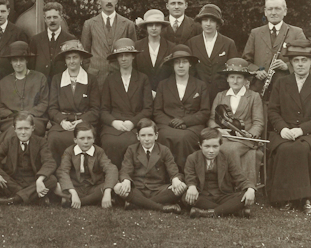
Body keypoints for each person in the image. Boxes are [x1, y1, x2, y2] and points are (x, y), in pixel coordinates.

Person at [266, 39, 311, 214]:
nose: (300, 64)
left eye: (304, 60)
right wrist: (283, 129)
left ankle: (305, 197)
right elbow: (273, 111)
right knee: (284, 149)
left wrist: (301, 130)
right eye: (296, 61)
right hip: (283, 131)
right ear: (291, 63)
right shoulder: (281, 83)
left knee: (302, 148)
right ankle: (287, 198)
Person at [207, 58, 264, 185]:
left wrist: (249, 134)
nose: (235, 81)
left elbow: (258, 122)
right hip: (224, 137)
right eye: (232, 77)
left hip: (245, 139)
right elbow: (212, 119)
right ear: (227, 79)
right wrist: (218, 130)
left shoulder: (254, 96)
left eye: (239, 77)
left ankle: (238, 185)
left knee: (228, 149)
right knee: (215, 146)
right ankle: (216, 185)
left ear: (245, 80)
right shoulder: (220, 96)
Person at [153, 44, 210, 171]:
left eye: (184, 62)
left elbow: (205, 112)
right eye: (177, 62)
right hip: (167, 124)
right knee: (163, 135)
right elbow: (157, 111)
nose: (180, 66)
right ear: (172, 65)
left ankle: (187, 175)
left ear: (190, 64)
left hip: (192, 126)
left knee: (184, 138)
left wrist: (186, 121)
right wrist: (171, 122)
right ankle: (166, 176)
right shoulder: (163, 85)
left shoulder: (200, 85)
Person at [99, 38, 154, 168]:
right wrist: (114, 122)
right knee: (109, 141)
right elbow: (104, 110)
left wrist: (133, 122)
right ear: (117, 59)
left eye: (127, 55)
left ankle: (134, 178)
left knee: (134, 140)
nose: (124, 59)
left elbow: (148, 109)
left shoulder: (142, 78)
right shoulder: (110, 80)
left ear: (133, 57)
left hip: (135, 123)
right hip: (115, 125)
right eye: (120, 56)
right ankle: (113, 176)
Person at [0, 112, 57, 206]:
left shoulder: (41, 142)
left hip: (33, 182)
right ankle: (32, 198)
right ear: (14, 129)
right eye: (20, 129)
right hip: (13, 182)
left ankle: (12, 200)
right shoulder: (9, 141)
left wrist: (40, 180)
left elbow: (49, 162)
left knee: (52, 180)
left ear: (32, 128)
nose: (23, 132)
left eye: (26, 128)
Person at [114, 118, 186, 213]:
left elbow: (172, 169)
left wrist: (175, 180)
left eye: (150, 135)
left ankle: (136, 204)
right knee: (118, 187)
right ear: (138, 137)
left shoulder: (164, 150)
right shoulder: (132, 149)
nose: (147, 139)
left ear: (156, 136)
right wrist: (126, 180)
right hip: (138, 189)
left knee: (182, 187)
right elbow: (126, 169)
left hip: (158, 189)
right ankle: (161, 207)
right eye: (143, 135)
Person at [242, 0, 307, 97]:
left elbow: (308, 60)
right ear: (265, 12)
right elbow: (246, 61)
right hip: (259, 91)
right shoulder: (255, 33)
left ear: (285, 11)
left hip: (287, 90)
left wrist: (287, 66)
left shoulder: (296, 33)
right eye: (270, 9)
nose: (273, 12)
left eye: (277, 9)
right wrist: (256, 71)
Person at [46, 40, 99, 165]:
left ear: (81, 59)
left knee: (84, 138)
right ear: (65, 61)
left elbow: (95, 110)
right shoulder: (57, 79)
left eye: (75, 57)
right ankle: (57, 173)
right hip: (63, 123)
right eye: (68, 58)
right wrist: (62, 121)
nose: (72, 61)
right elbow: (52, 108)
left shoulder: (91, 79)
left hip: (83, 122)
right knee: (54, 138)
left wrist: (81, 121)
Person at [184, 128, 256, 218]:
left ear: (220, 145)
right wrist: (192, 186)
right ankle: (231, 211)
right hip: (203, 195)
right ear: (200, 145)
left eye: (215, 146)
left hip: (223, 195)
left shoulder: (226, 157)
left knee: (243, 195)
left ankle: (208, 213)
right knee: (185, 196)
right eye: (207, 146)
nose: (211, 151)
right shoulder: (192, 158)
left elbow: (238, 176)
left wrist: (250, 189)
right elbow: (189, 176)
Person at [0, 41, 49, 144]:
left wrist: (29, 114)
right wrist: (14, 115)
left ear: (26, 60)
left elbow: (44, 102)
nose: (18, 64)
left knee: (22, 130)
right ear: (10, 62)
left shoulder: (39, 78)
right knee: (15, 130)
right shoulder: (4, 82)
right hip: (10, 120)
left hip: (35, 119)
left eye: (21, 60)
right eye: (15, 60)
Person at [54, 123, 117, 209]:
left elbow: (110, 168)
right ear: (75, 140)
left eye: (89, 138)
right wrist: (73, 192)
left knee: (115, 185)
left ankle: (73, 200)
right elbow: (63, 171)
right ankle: (87, 199)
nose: (86, 142)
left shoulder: (99, 152)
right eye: (82, 138)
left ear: (94, 139)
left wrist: (107, 191)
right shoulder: (69, 152)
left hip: (94, 187)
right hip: (76, 186)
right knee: (55, 185)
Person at [81, 0, 136, 81]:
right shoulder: (89, 24)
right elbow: (85, 52)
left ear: (116, 1)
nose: (109, 1)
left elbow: (133, 54)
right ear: (99, 1)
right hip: (96, 77)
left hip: (120, 76)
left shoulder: (128, 24)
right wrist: (89, 70)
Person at [186, 4, 238, 102]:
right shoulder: (192, 43)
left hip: (222, 93)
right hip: (198, 93)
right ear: (200, 22)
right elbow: (190, 71)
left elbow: (233, 71)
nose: (208, 24)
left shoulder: (228, 43)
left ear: (217, 23)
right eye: (205, 20)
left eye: (212, 21)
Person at [29, 2, 75, 82]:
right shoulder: (36, 40)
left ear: (61, 18)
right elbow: (31, 67)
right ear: (45, 19)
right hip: (41, 85)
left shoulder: (70, 39)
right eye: (49, 17)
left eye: (55, 17)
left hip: (62, 85)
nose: (52, 20)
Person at [133, 9, 175, 95]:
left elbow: (173, 74)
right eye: (150, 25)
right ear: (146, 27)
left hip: (166, 93)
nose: (154, 28)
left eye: (157, 25)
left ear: (162, 27)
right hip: (142, 94)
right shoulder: (137, 46)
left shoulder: (171, 47)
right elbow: (134, 72)